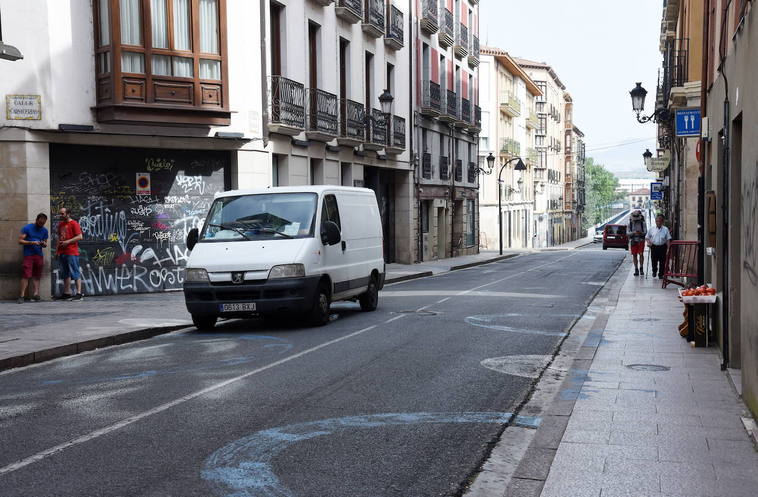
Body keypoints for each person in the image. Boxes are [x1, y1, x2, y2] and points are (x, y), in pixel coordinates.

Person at [17, 213, 49, 303]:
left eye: (43, 223)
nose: (41, 225)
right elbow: (20, 241)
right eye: (40, 223)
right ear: (36, 220)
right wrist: (31, 242)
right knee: (26, 275)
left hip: (39, 255)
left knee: (37, 275)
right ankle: (22, 296)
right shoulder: (27, 228)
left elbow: (45, 243)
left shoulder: (44, 230)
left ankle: (36, 294)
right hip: (28, 255)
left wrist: (43, 244)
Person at [55, 207, 84, 301]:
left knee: (75, 272)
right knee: (64, 273)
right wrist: (57, 251)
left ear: (68, 214)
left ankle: (79, 293)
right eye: (60, 213)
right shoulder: (60, 224)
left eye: (62, 213)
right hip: (62, 252)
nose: (61, 215)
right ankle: (67, 293)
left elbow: (80, 236)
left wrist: (68, 242)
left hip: (71, 252)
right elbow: (59, 238)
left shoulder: (74, 224)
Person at [646, 214, 672, 279]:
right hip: (654, 247)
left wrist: (668, 248)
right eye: (657, 221)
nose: (658, 223)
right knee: (654, 260)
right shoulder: (651, 229)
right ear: (655, 222)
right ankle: (654, 271)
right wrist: (649, 242)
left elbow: (668, 239)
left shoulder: (665, 229)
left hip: (663, 247)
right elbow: (647, 237)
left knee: (662, 261)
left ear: (662, 222)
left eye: (660, 221)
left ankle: (661, 274)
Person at [628, 209, 647, 276]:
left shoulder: (643, 223)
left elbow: (645, 232)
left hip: (641, 240)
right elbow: (627, 233)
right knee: (634, 255)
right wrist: (633, 233)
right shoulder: (630, 224)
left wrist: (640, 233)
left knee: (641, 254)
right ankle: (636, 269)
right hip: (633, 241)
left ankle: (641, 268)